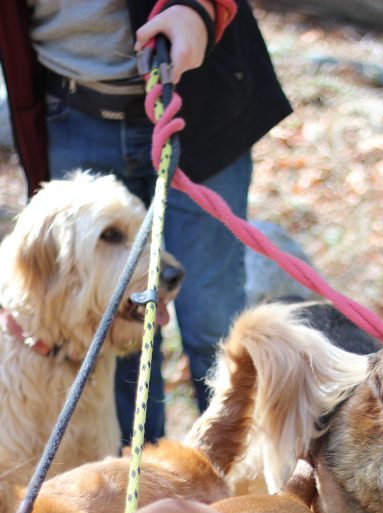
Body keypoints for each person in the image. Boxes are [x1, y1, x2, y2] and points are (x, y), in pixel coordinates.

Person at [0, 0, 292, 443]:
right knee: (105, 329)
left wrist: (200, 8)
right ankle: (134, 488)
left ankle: (239, 481)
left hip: (199, 100)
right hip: (71, 111)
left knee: (213, 322)